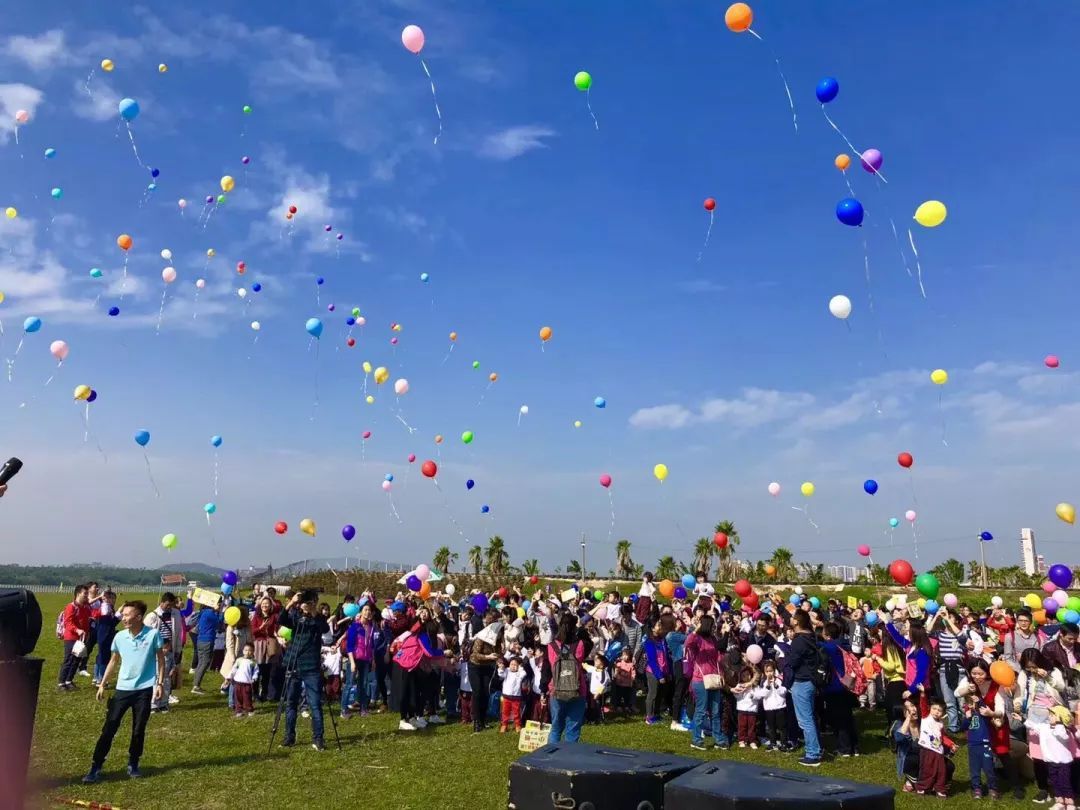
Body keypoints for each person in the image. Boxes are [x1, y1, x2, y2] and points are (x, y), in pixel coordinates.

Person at [83, 600, 166, 783]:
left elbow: (161, 660)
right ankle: (96, 766)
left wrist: (159, 684)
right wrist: (103, 684)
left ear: (138, 617)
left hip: (143, 690)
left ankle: (133, 763)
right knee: (109, 729)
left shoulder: (152, 635)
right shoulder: (120, 636)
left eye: (128, 615)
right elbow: (113, 661)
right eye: (123, 614)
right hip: (122, 689)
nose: (124, 618)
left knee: (138, 730)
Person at [278, 589, 331, 750]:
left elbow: (324, 629)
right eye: (306, 602)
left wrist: (313, 611)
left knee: (315, 703)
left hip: (311, 666)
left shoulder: (318, 618)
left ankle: (318, 737)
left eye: (311, 601)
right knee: (291, 702)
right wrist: (292, 603)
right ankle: (289, 736)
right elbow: (281, 620)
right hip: (293, 663)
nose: (307, 604)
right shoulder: (295, 615)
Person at [540, 613, 589, 744]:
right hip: (577, 689)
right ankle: (567, 760)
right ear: (574, 628)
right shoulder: (581, 645)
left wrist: (543, 690)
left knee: (556, 727)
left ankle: (552, 757)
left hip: (556, 689)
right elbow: (589, 641)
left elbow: (546, 671)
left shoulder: (551, 646)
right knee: (573, 728)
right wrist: (581, 628)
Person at [685, 614, 727, 751]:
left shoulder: (712, 639)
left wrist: (726, 633)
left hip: (714, 677)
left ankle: (718, 739)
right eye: (712, 625)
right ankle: (696, 739)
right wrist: (696, 630)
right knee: (701, 711)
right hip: (700, 679)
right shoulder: (697, 639)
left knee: (715, 711)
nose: (714, 627)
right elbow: (688, 643)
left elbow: (719, 653)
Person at [786, 610, 823, 766]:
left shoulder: (799, 641)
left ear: (797, 622)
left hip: (801, 682)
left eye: (793, 617)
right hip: (810, 681)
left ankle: (813, 753)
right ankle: (815, 748)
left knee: (805, 720)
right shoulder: (810, 637)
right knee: (810, 717)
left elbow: (792, 662)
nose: (790, 619)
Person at [821, 621, 859, 757]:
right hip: (848, 685)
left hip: (835, 687)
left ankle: (844, 748)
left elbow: (815, 645)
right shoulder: (844, 645)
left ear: (827, 634)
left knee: (839, 719)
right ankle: (854, 746)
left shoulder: (830, 647)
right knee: (848, 717)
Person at [144, 593, 182, 713]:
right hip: (157, 651)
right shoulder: (152, 616)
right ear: (162, 602)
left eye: (172, 605)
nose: (169, 607)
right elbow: (146, 635)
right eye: (168, 605)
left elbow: (178, 633)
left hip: (170, 650)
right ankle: (154, 703)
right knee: (156, 678)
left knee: (167, 678)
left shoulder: (176, 614)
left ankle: (164, 703)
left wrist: (178, 650)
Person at [467, 609, 503, 733]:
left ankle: (483, 719)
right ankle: (476, 721)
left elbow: (498, 650)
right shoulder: (482, 636)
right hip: (475, 666)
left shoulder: (498, 634)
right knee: (477, 692)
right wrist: (488, 657)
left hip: (488, 666)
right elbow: (475, 654)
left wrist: (498, 657)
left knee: (485, 693)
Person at [913, 699, 954, 796]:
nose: (936, 712)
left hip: (939, 751)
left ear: (943, 713)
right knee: (927, 769)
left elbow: (943, 737)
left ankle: (939, 789)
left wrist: (951, 744)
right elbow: (922, 705)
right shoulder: (925, 717)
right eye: (934, 709)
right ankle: (922, 787)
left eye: (939, 710)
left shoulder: (940, 723)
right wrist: (923, 695)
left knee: (941, 771)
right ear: (929, 709)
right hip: (927, 749)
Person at [58, 585, 92, 690]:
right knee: (69, 659)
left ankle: (69, 680)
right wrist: (77, 630)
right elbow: (68, 622)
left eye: (87, 593)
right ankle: (61, 683)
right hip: (71, 637)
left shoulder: (85, 607)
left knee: (77, 659)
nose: (87, 596)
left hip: (82, 637)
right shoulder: (71, 606)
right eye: (85, 593)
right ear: (78, 594)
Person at [251, 596, 281, 702]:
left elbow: (277, 630)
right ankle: (254, 693)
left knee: (267, 671)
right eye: (263, 603)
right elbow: (252, 631)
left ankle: (265, 693)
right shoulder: (256, 616)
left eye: (267, 603)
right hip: (259, 644)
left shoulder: (274, 616)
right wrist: (261, 628)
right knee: (257, 670)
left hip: (270, 645)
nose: (265, 605)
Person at [191, 598, 223, 694]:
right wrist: (220, 612)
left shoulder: (203, 612)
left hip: (200, 640)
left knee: (201, 663)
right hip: (207, 640)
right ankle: (196, 686)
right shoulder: (210, 614)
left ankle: (196, 684)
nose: (220, 605)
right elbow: (219, 622)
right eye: (219, 604)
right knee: (204, 663)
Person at [643, 620, 670, 725]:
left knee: (660, 694)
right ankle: (649, 717)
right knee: (653, 694)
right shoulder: (649, 642)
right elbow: (652, 661)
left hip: (663, 671)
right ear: (653, 628)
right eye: (658, 625)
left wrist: (668, 672)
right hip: (653, 672)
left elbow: (666, 658)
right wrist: (659, 675)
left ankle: (656, 714)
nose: (660, 627)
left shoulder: (662, 640)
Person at [734, 665, 763, 748]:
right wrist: (741, 691)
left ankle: (752, 741)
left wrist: (752, 694)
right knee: (742, 726)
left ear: (751, 676)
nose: (746, 677)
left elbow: (759, 696)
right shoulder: (739, 685)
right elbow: (736, 696)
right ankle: (742, 740)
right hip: (742, 709)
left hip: (752, 709)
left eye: (748, 675)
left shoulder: (755, 686)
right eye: (743, 676)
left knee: (752, 726)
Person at [760, 660, 787, 750]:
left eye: (771, 671)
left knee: (782, 727)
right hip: (769, 708)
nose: (769, 673)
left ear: (774, 671)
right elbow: (763, 694)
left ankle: (783, 743)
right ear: (764, 672)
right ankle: (773, 742)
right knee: (771, 727)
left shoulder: (779, 680)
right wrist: (768, 686)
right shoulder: (764, 682)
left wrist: (776, 686)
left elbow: (783, 692)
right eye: (767, 672)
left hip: (780, 707)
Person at [94, 590, 119, 687]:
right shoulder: (105, 608)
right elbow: (109, 622)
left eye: (114, 598)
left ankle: (97, 677)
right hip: (104, 635)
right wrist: (118, 615)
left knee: (101, 656)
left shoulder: (110, 608)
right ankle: (101, 679)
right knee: (104, 657)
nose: (113, 600)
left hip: (107, 635)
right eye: (111, 598)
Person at [500, 656, 528, 733]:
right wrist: (501, 668)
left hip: (516, 697)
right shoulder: (507, 671)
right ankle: (504, 725)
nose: (513, 666)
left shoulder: (520, 673)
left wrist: (520, 668)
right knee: (505, 711)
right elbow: (501, 675)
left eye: (515, 665)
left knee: (516, 712)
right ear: (509, 665)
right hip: (506, 696)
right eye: (511, 664)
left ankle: (517, 725)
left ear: (518, 666)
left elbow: (524, 673)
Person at [230, 642, 258, 717]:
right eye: (246, 650)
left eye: (250, 650)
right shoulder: (239, 660)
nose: (247, 652)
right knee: (238, 697)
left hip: (247, 683)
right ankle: (239, 710)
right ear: (243, 651)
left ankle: (249, 710)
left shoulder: (253, 662)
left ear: (253, 652)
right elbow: (234, 669)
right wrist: (230, 676)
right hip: (237, 682)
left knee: (247, 697)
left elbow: (256, 671)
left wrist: (254, 677)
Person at [613, 646, 636, 714]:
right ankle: (618, 706)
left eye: (627, 655)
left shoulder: (631, 664)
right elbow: (616, 672)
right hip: (619, 684)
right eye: (623, 655)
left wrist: (632, 680)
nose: (625, 657)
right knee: (619, 695)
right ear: (621, 656)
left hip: (627, 684)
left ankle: (626, 706)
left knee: (627, 696)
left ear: (629, 656)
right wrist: (617, 676)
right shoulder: (619, 664)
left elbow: (633, 673)